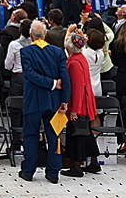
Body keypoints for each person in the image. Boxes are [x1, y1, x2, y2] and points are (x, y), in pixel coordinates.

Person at [19, 20, 70, 184]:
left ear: (30, 35)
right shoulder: (58, 52)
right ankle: (53, 172)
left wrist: (50, 83)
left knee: (31, 136)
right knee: (54, 135)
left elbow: (30, 75)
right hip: (54, 101)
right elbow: (65, 77)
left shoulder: (26, 52)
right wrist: (64, 99)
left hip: (33, 100)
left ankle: (28, 170)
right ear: (46, 35)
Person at [61, 27, 99, 177]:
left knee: (76, 135)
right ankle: (94, 162)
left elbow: (76, 88)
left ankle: (76, 167)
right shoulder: (81, 58)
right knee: (86, 133)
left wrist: (74, 110)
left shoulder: (74, 63)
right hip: (87, 101)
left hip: (79, 104)